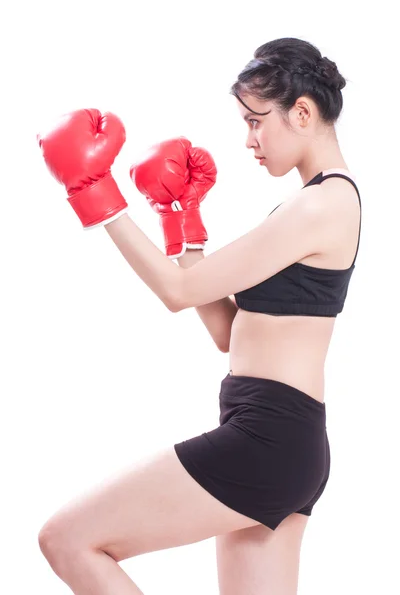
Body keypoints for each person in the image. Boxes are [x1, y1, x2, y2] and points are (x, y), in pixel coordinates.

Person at [37, 36, 361, 595]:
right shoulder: (313, 203)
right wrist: (179, 218)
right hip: (281, 438)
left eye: (257, 121)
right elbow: (226, 333)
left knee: (67, 540)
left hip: (269, 438)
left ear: (302, 113)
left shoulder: (322, 205)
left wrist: (94, 192)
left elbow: (177, 291)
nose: (249, 140)